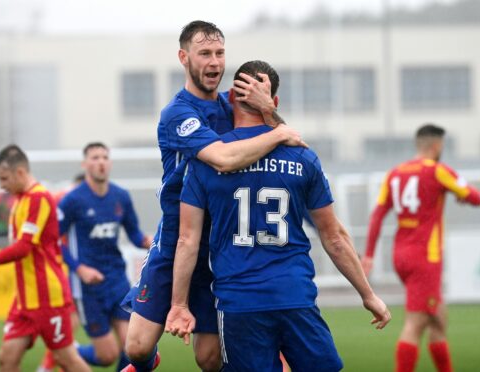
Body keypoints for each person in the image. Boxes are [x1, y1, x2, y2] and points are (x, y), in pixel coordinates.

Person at [165, 60, 391, 371]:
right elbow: (334, 236)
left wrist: (179, 305)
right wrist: (368, 294)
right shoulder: (302, 156)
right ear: (275, 102)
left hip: (239, 302)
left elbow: (188, 240)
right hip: (294, 295)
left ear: (231, 98)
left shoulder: (207, 160)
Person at [122, 21, 306, 372]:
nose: (214, 62)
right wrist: (279, 129)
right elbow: (223, 157)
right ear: (184, 57)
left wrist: (270, 111)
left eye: (220, 53)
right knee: (137, 347)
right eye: (204, 53)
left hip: (220, 245)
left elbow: (286, 144)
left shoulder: (233, 105)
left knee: (209, 358)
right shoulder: (178, 113)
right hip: (176, 240)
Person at [0, 144, 90, 372]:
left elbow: (23, 248)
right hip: (25, 300)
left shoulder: (39, 198)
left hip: (48, 299)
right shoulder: (20, 199)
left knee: (67, 359)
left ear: (19, 173)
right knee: (7, 360)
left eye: (4, 178)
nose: (1, 185)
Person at [362, 124, 480, 372]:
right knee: (415, 323)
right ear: (437, 145)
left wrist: (370, 254)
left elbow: (377, 215)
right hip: (425, 258)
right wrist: (460, 193)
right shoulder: (437, 171)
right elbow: (476, 197)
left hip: (401, 255)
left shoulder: (395, 173)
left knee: (438, 320)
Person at [56, 142, 153, 370]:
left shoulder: (121, 196)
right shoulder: (72, 200)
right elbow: (53, 241)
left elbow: (135, 234)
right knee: (107, 355)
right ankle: (68, 353)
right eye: (94, 157)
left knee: (133, 347)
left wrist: (148, 241)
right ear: (85, 164)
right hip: (87, 288)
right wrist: (80, 269)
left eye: (104, 157)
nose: (100, 162)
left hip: (117, 281)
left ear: (109, 163)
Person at [38, 172, 85, 372]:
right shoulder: (71, 198)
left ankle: (57, 364)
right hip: (63, 269)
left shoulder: (61, 197)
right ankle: (49, 365)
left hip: (58, 268)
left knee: (68, 323)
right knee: (68, 322)